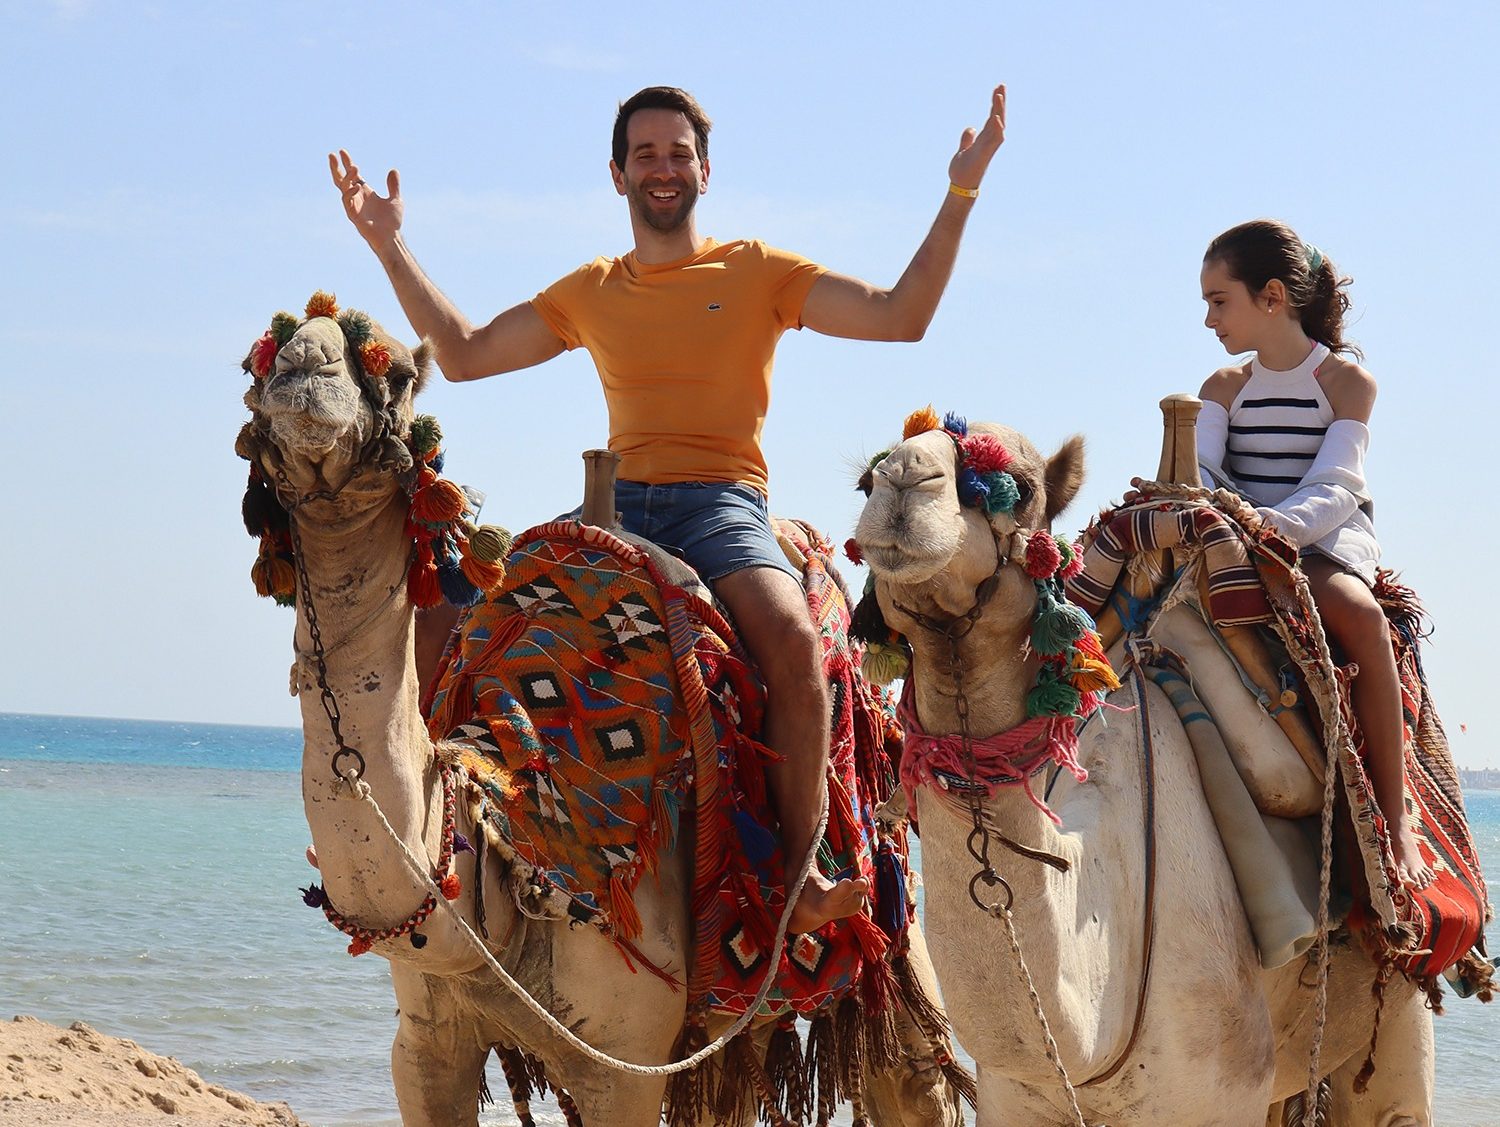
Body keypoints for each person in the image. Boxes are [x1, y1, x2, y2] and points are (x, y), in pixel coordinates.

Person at [329, 83, 1008, 933]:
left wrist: (961, 189)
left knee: (795, 644)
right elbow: (463, 356)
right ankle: (425, 840)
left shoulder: (758, 271)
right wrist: (390, 246)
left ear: (705, 171)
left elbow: (900, 316)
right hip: (611, 503)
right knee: (449, 611)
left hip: (721, 506)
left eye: (678, 153)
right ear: (617, 175)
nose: (663, 168)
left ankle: (798, 883)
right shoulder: (593, 288)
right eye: (645, 154)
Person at [1196, 218, 1434, 889]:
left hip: (1319, 538)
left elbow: (1334, 486)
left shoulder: (1346, 384)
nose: (1209, 318)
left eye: (1220, 301)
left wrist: (1270, 527)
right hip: (1237, 535)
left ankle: (1395, 820)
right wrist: (1228, 517)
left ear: (1272, 296)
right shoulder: (1221, 387)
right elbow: (1206, 473)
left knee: (1357, 612)